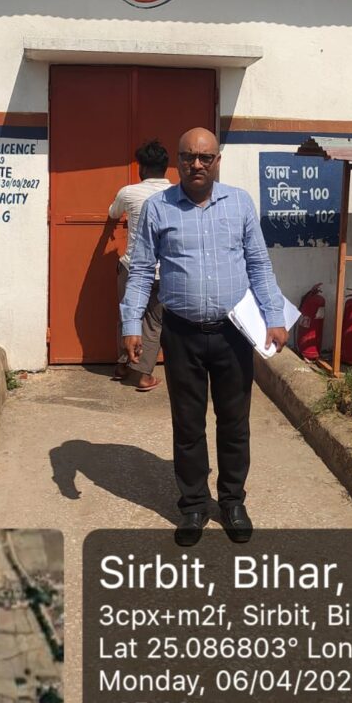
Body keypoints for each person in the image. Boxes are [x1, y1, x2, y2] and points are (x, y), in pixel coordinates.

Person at [121, 127, 287, 546]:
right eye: (188, 157)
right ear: (177, 161)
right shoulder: (158, 208)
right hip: (182, 334)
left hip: (233, 334)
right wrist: (131, 323)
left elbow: (259, 265)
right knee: (188, 424)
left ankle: (232, 501)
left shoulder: (240, 203)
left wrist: (274, 316)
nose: (197, 164)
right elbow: (140, 270)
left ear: (217, 161)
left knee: (234, 423)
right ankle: (193, 505)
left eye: (205, 157)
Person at [108, 139, 171, 391]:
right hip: (164, 271)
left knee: (128, 315)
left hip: (132, 266)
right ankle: (143, 375)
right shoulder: (176, 194)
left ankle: (123, 365)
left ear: (141, 168)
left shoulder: (128, 192)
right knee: (154, 324)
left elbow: (113, 212)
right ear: (166, 167)